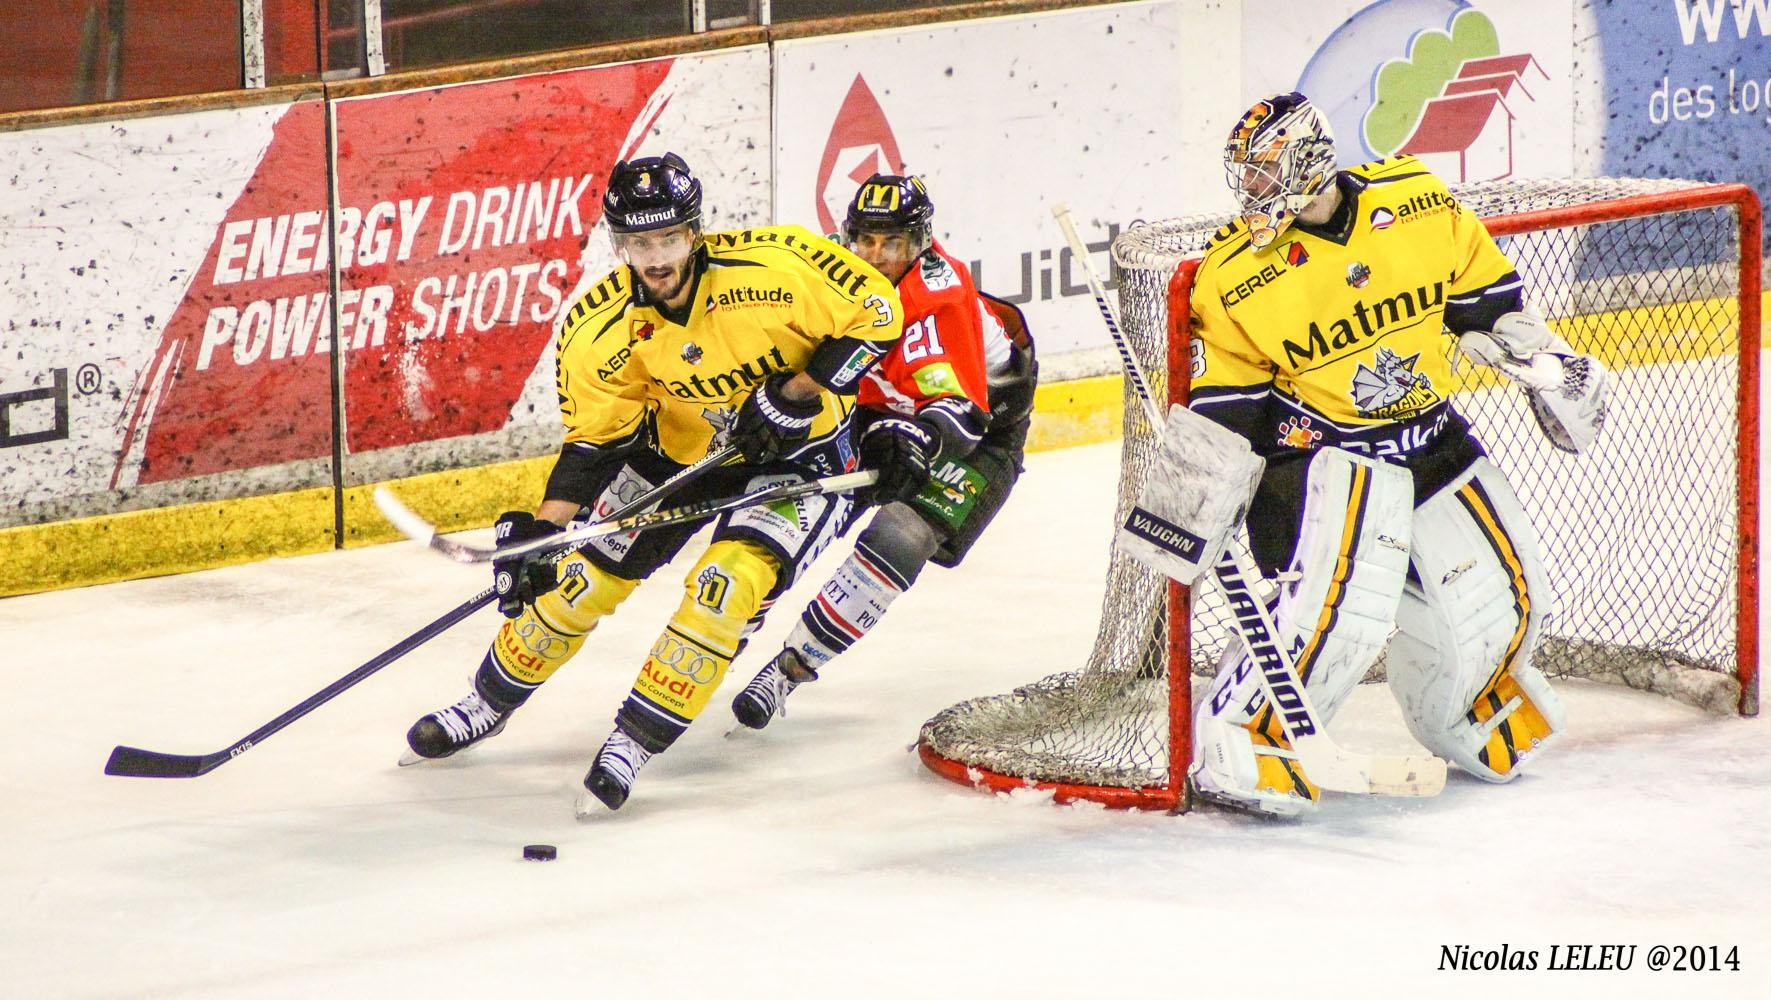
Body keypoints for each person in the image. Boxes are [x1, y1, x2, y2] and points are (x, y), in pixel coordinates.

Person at [400, 152, 903, 813]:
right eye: (639, 243)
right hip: (678, 455)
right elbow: (594, 442)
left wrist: (796, 390)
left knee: (725, 588)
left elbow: (879, 311)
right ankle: (486, 704)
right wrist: (544, 532)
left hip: (800, 457)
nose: (656, 257)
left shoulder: (777, 266)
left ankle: (631, 744)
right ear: (619, 243)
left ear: (694, 232)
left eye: (668, 238)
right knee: (577, 580)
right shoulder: (598, 328)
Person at [1186, 93, 1608, 815]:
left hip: (1427, 438)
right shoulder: (1234, 272)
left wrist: (1540, 359)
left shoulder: (1415, 201)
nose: (1250, 190)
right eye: (1245, 176)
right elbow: (1227, 403)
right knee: (1335, 616)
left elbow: (1489, 306)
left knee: (1504, 601)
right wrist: (1203, 489)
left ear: (1307, 161)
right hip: (1320, 462)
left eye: (1262, 173)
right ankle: (1244, 734)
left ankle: (1464, 709)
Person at [726, 174, 1037, 729]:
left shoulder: (936, 299)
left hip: (977, 430)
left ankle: (790, 669)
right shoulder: (836, 271)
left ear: (919, 243)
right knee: (795, 507)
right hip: (875, 408)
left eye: (893, 243)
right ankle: (729, 625)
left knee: (900, 536)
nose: (877, 255)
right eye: (866, 240)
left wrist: (918, 439)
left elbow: (959, 413)